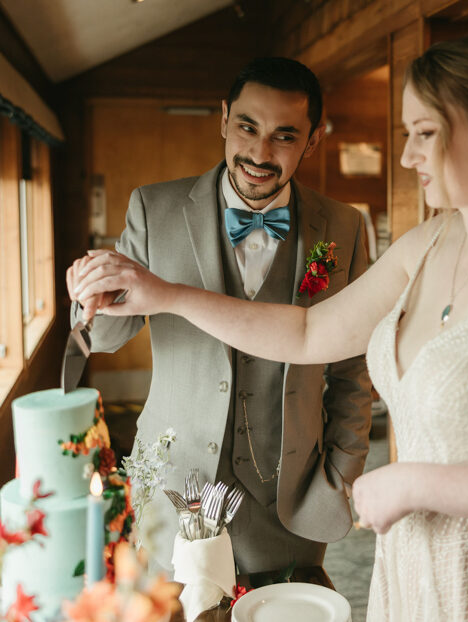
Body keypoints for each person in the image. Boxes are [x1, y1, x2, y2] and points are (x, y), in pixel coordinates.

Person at [70, 28, 468, 620]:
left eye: (424, 134)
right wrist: (166, 294)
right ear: (225, 119)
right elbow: (308, 334)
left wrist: (397, 482)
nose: (407, 156)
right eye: (407, 135)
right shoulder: (430, 242)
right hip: (413, 566)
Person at [67, 57, 372, 577]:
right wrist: (88, 295)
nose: (259, 152)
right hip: (171, 486)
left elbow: (352, 371)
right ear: (224, 119)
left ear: (313, 141)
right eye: (248, 127)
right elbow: (108, 337)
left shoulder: (344, 226)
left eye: (284, 136)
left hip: (288, 495)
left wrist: (340, 475)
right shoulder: (153, 209)